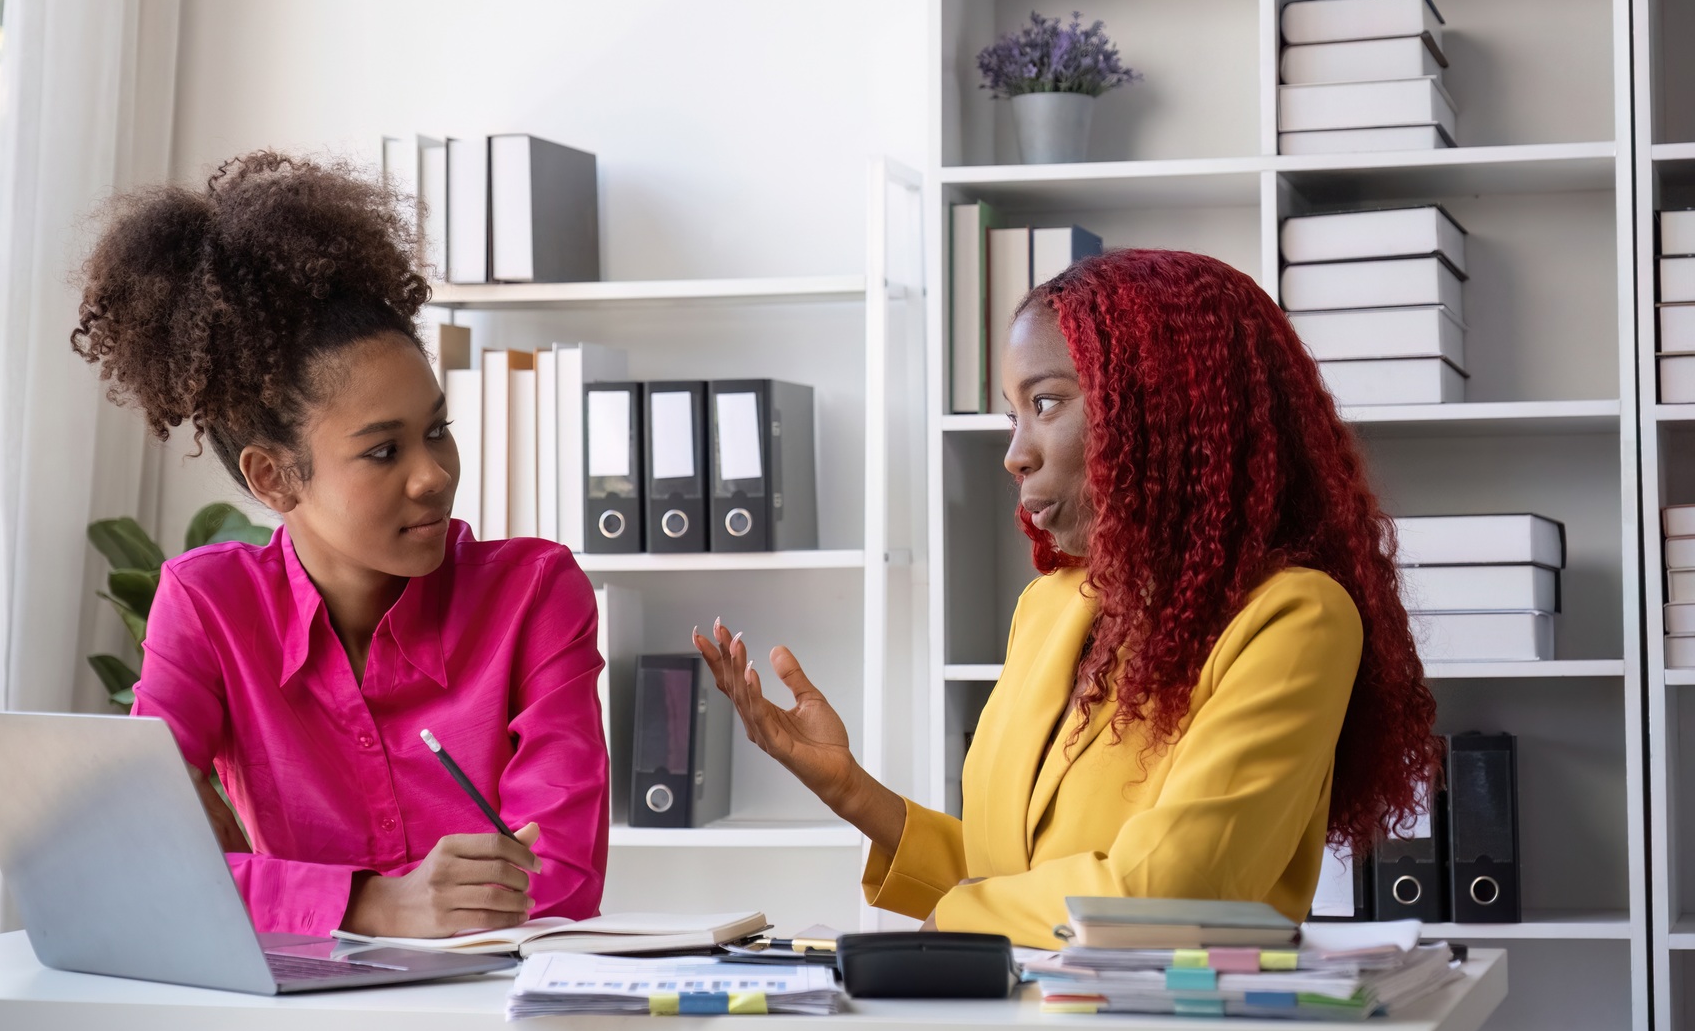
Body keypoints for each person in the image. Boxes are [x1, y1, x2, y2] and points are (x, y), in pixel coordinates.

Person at [696, 248, 1436, 946]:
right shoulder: (1049, 607)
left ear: (1163, 407)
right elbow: (1017, 882)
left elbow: (1169, 894)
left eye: (1045, 403)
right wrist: (851, 790)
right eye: (1011, 417)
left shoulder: (1294, 617)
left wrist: (953, 919)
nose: (1016, 453)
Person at [70, 151, 609, 961]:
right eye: (384, 451)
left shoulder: (535, 591)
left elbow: (559, 875)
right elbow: (141, 871)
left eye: (436, 430)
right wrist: (374, 902)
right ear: (274, 475)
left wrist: (267, 887)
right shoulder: (209, 605)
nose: (434, 475)